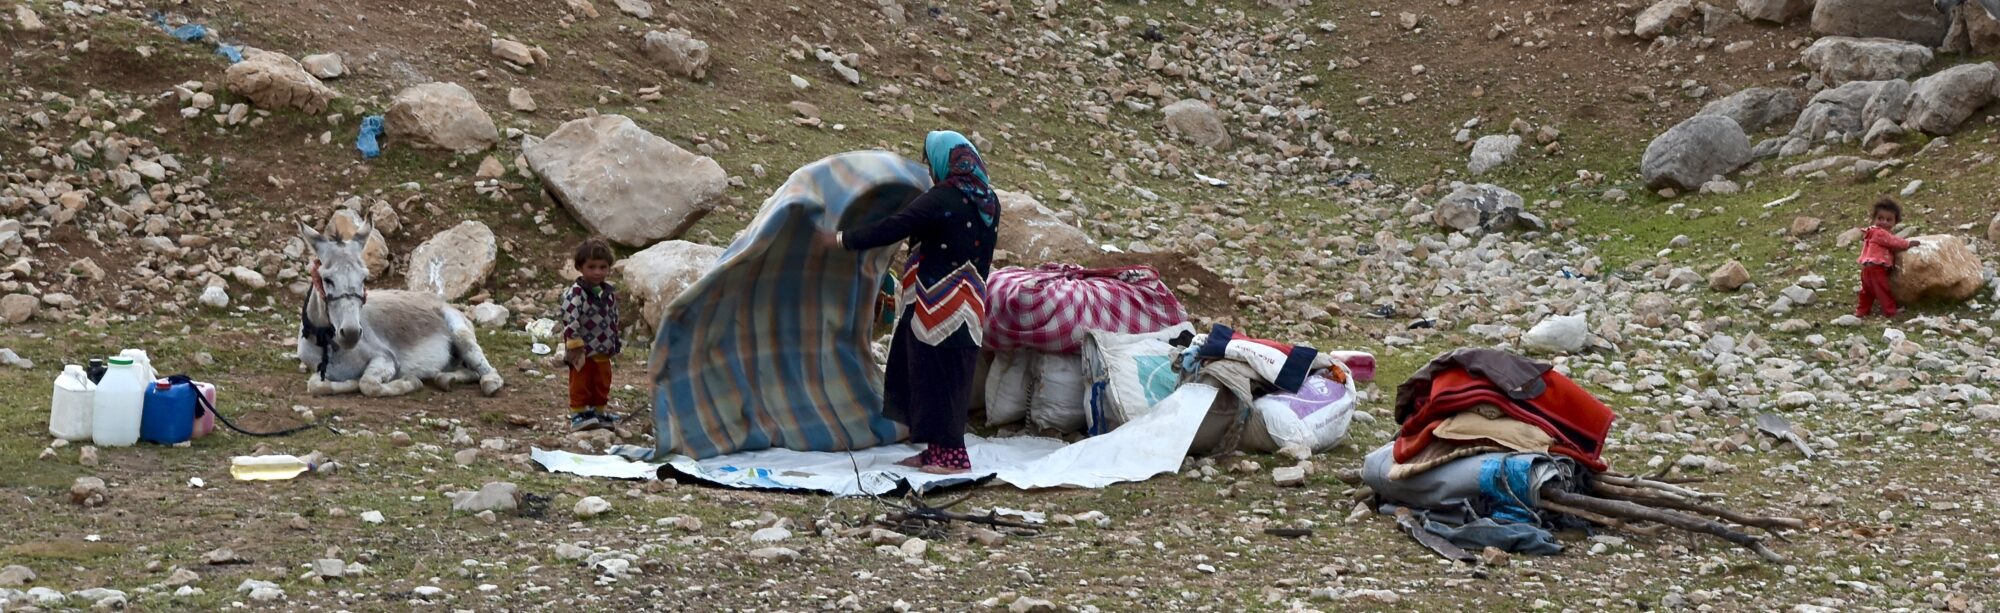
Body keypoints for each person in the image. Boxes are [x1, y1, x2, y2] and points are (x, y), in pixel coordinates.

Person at [828, 131, 1001, 475]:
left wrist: (842, 239)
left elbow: (895, 226)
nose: (929, 172)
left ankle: (952, 457)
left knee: (935, 374)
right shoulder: (988, 200)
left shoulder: (943, 198)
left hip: (935, 303)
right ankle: (937, 451)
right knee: (951, 374)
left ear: (942, 161)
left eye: (929, 164)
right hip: (969, 304)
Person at [562, 239, 623, 431]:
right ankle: (578, 414)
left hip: (603, 347)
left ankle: (599, 412)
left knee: (602, 381)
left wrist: (615, 341)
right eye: (592, 267)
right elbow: (570, 317)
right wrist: (573, 342)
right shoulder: (577, 293)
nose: (597, 272)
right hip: (582, 349)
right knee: (581, 382)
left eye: (602, 267)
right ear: (580, 267)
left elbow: (614, 317)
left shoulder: (608, 293)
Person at [1855, 197, 1922, 319]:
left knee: (1867, 291)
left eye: (1889, 220)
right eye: (1880, 218)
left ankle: (1862, 310)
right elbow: (1893, 242)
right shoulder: (1880, 232)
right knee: (1882, 290)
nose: (1884, 222)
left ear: (1895, 222)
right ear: (1873, 219)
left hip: (1867, 269)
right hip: (1877, 268)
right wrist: (1908, 244)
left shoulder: (1872, 232)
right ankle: (1890, 311)